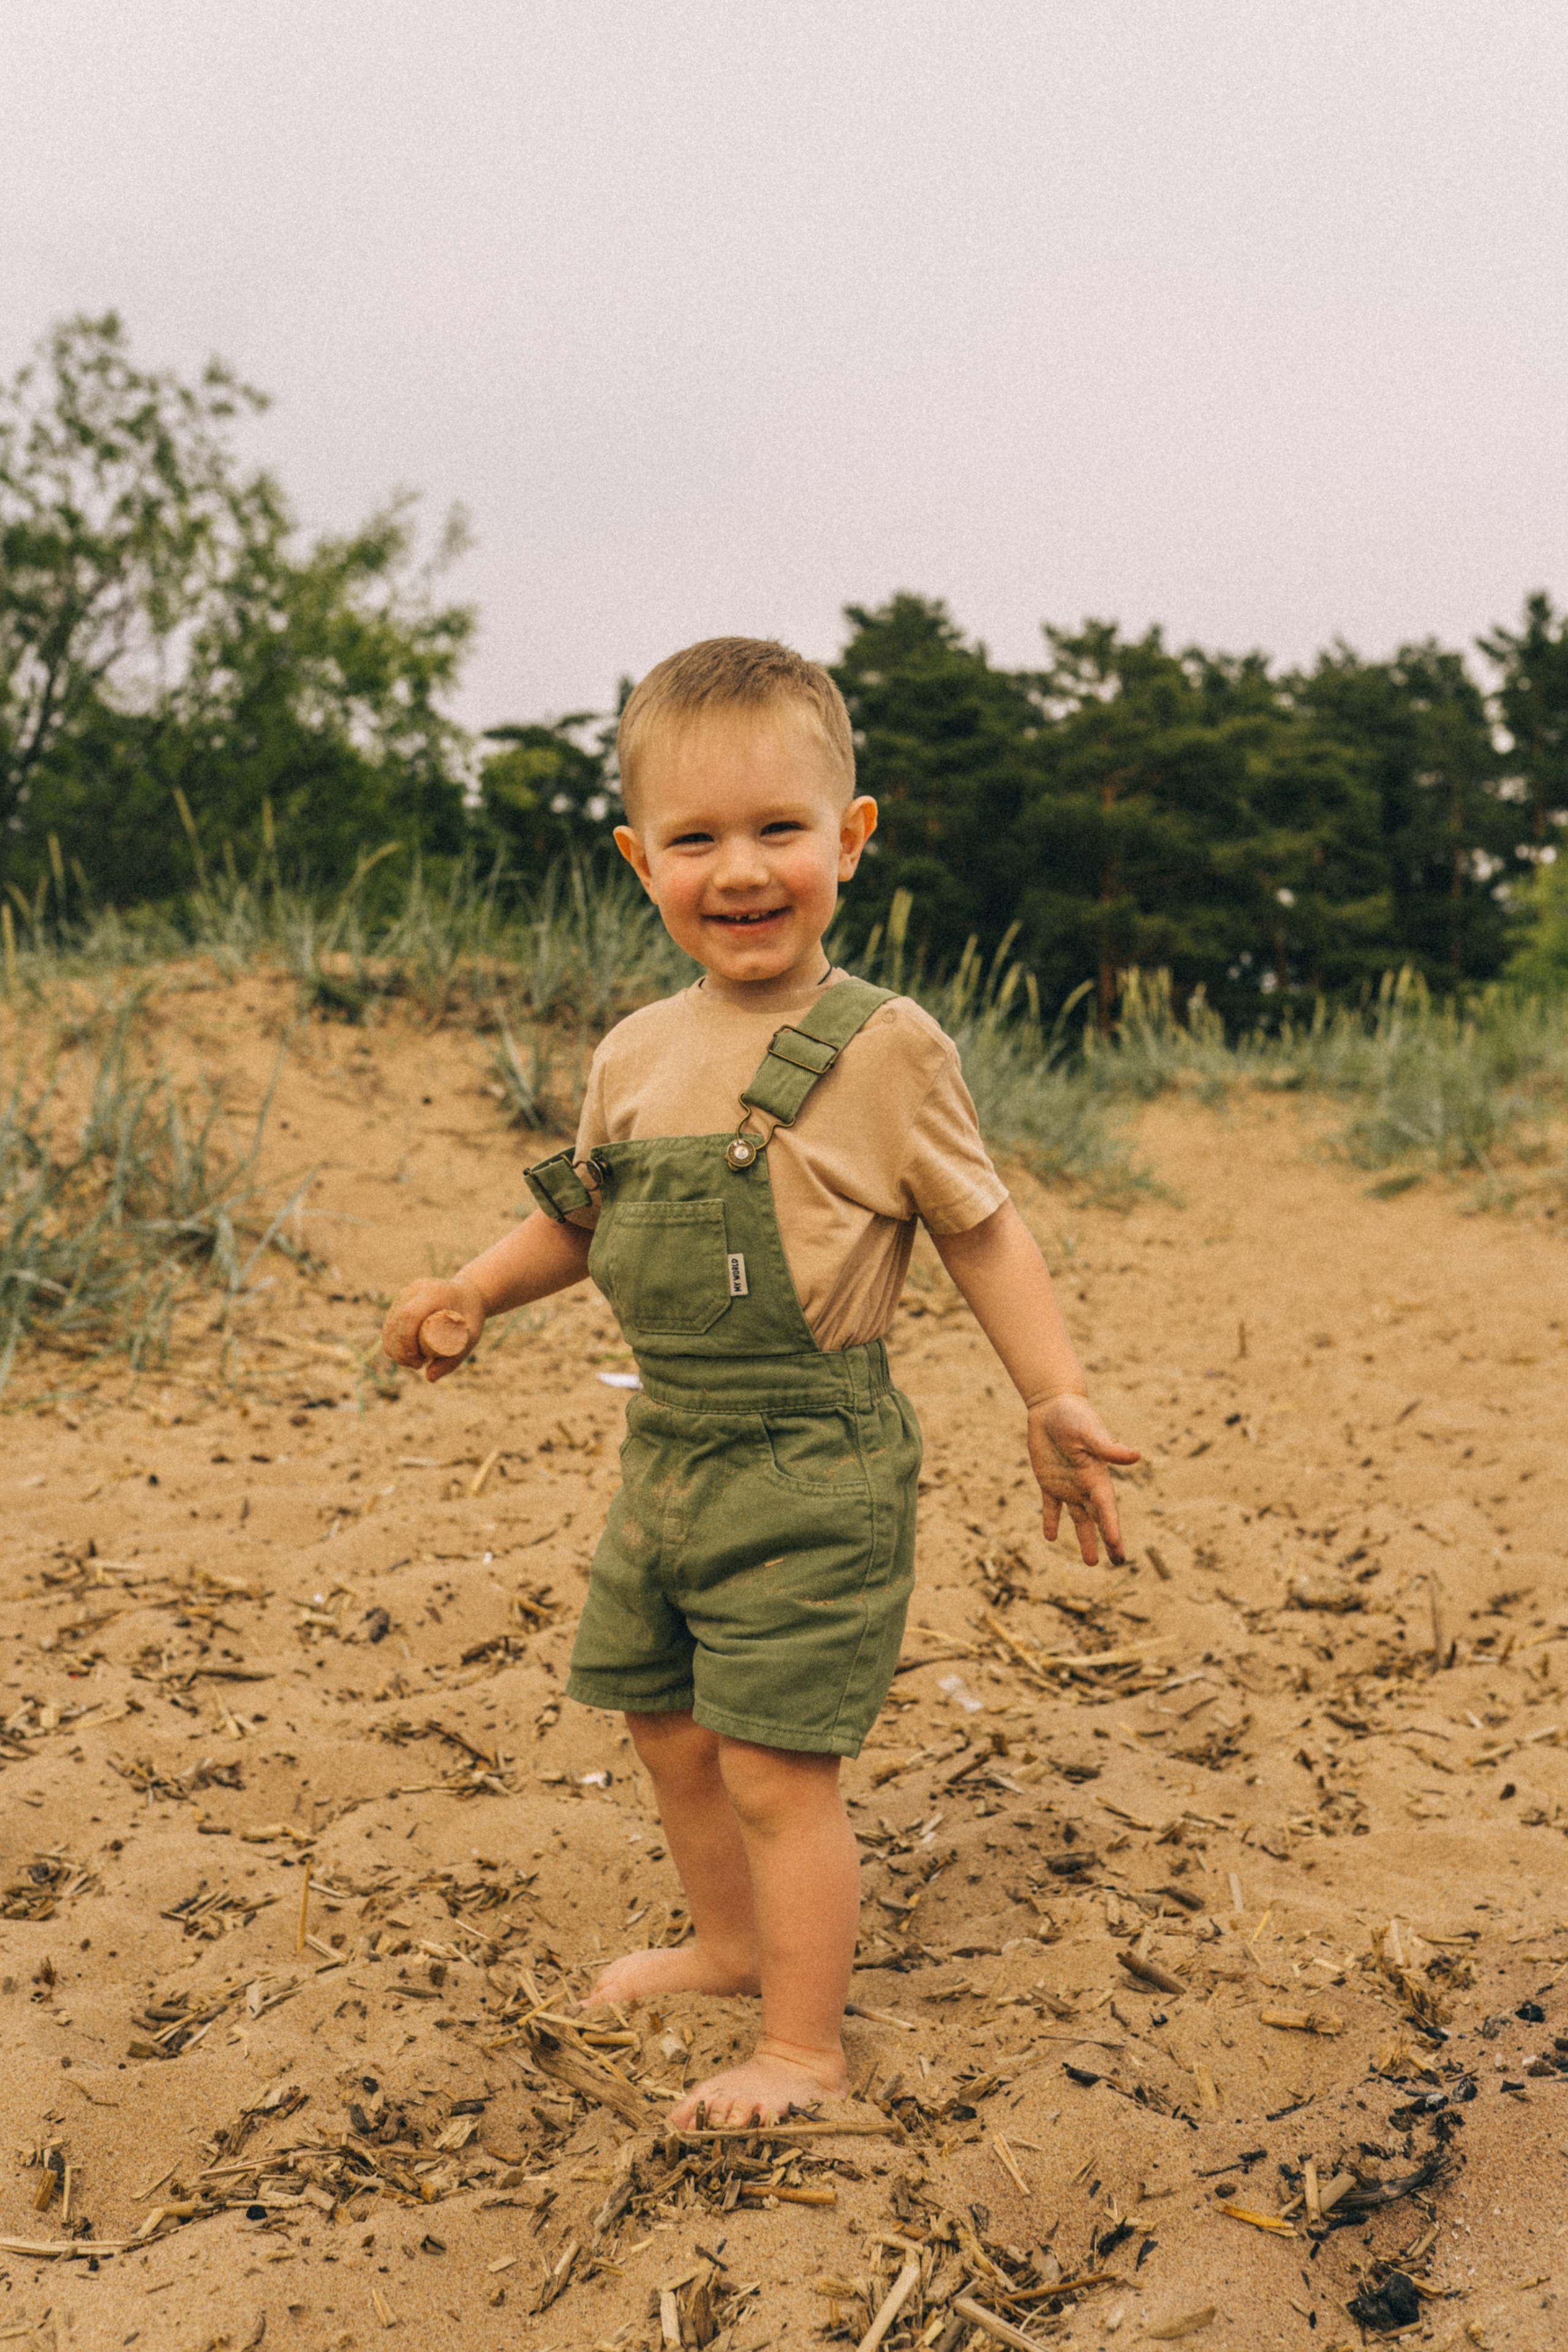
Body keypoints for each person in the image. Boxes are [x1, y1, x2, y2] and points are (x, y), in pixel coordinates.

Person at [380, 636, 1137, 2127]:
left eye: (779, 830)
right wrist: (474, 1287)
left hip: (814, 1453)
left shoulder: (885, 1048)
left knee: (779, 1770)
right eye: (694, 839)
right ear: (637, 860)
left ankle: (803, 2047)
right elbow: (581, 1218)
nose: (740, 870)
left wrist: (1048, 1394)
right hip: (667, 1450)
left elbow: (981, 1228)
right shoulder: (635, 1051)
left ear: (848, 842)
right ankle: (729, 1947)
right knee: (665, 1727)